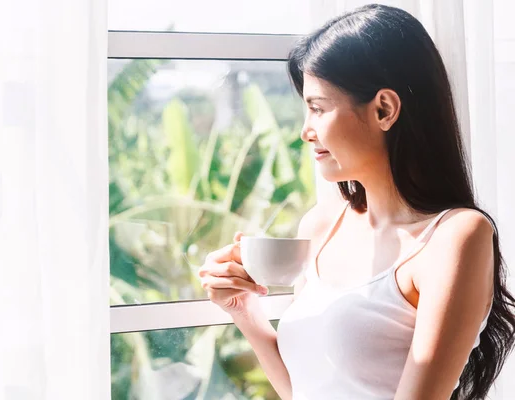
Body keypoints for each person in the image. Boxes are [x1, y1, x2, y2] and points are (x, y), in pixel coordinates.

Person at [198, 4, 515, 400]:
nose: (305, 131)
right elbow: (303, 389)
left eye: (317, 108)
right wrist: (241, 307)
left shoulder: (455, 236)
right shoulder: (321, 226)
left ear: (385, 109)